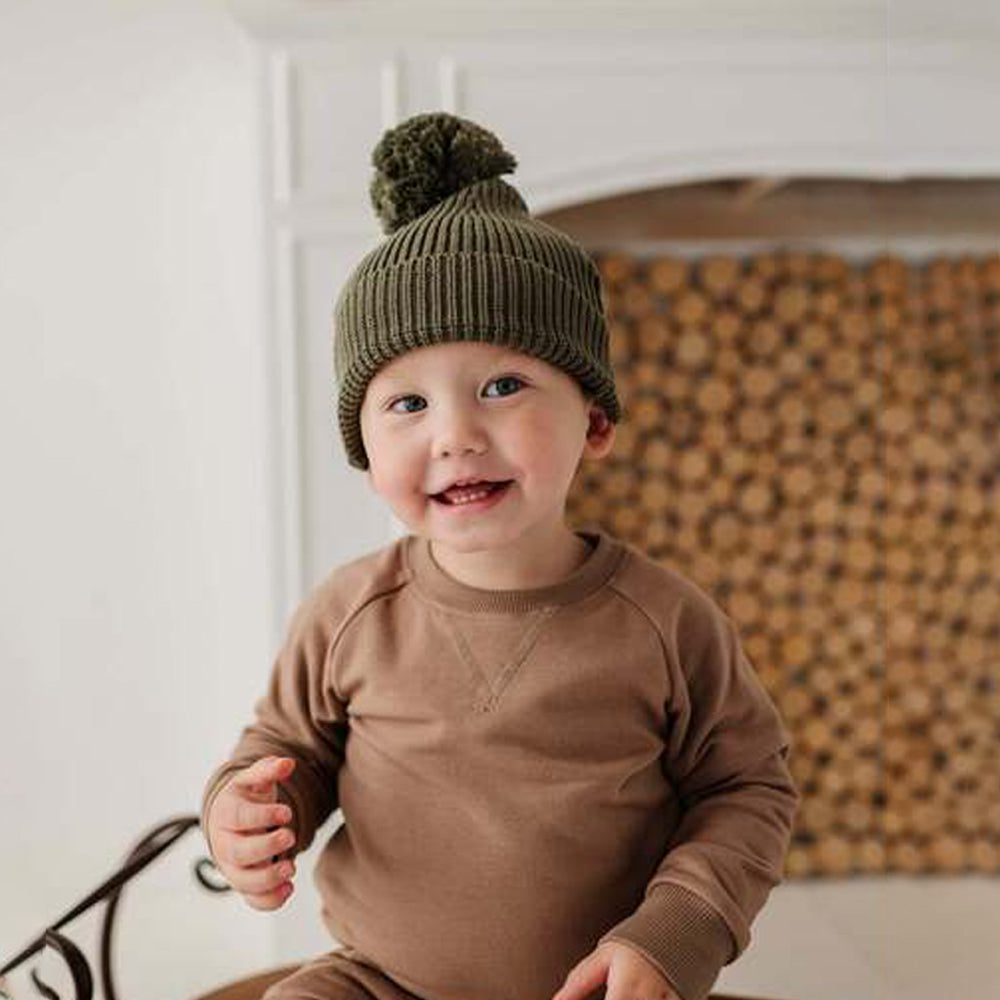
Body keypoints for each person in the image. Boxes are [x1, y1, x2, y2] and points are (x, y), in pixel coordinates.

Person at [200, 112, 800, 1000]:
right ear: (363, 450)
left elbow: (748, 787)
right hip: (381, 981)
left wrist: (675, 929)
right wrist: (247, 813)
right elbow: (287, 747)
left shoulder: (666, 622)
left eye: (503, 386)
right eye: (406, 404)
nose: (456, 435)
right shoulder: (350, 614)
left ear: (593, 421)